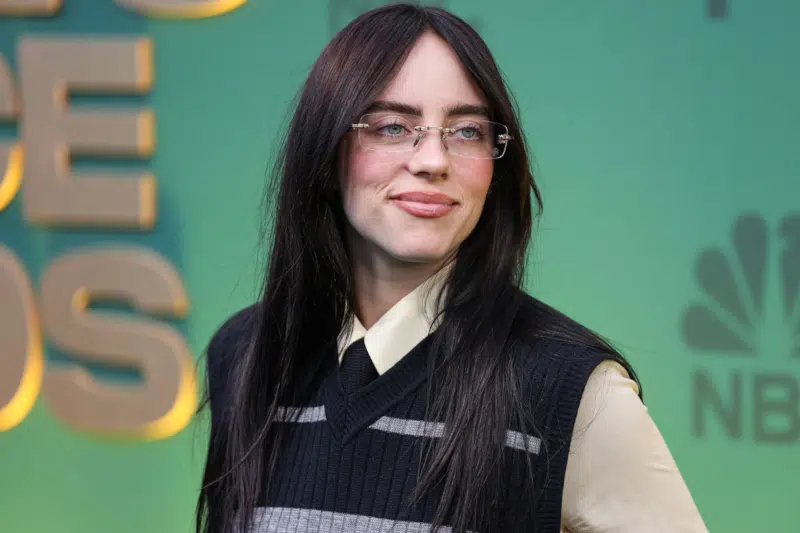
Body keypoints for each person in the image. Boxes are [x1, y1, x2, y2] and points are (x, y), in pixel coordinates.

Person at [196, 4, 709, 533]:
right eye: (393, 126)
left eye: (467, 132)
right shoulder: (248, 357)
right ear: (326, 151)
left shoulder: (574, 392)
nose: (432, 160)